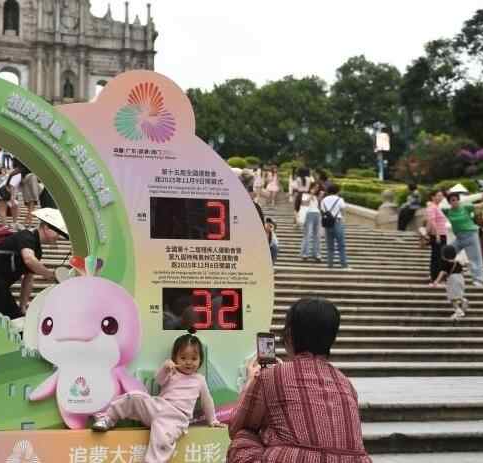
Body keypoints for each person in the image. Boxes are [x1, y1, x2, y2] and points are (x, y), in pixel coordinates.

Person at [227, 298, 371, 463]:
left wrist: (251, 381)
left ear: (289, 335)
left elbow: (236, 426)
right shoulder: (345, 382)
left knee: (243, 437)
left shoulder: (272, 376)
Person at [91, 329, 222, 462]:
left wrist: (213, 420)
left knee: (163, 439)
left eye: (194, 358)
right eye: (183, 358)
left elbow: (207, 401)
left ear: (200, 360)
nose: (188, 362)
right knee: (135, 397)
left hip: (176, 418)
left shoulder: (199, 379)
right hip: (157, 406)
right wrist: (165, 368)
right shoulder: (172, 372)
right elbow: (159, 380)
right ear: (174, 358)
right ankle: (108, 418)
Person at [0, 208, 65, 318]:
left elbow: (28, 279)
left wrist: (23, 306)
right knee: (9, 319)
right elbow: (29, 259)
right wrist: (51, 275)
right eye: (57, 232)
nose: (59, 236)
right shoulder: (26, 236)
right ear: (46, 227)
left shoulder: (37, 250)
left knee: (9, 318)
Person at [443, 192, 483, 287]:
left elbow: (480, 206)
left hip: (470, 236)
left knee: (475, 258)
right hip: (459, 238)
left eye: (457, 199)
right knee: (447, 253)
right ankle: (448, 274)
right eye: (452, 200)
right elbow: (437, 209)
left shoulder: (466, 207)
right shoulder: (447, 211)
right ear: (449, 202)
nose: (455, 202)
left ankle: (478, 280)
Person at [430, 245, 469, 320]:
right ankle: (462, 301)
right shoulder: (458, 262)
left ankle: (459, 310)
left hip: (452, 279)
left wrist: (436, 282)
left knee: (452, 298)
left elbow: (442, 272)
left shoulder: (445, 263)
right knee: (457, 294)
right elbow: (462, 272)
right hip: (460, 278)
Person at [321, 183, 349, 270]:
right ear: (337, 191)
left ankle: (330, 265)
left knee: (330, 246)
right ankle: (344, 265)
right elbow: (343, 210)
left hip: (327, 223)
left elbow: (322, 211)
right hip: (337, 222)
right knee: (341, 245)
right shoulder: (340, 199)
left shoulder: (324, 200)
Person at [424, 190, 450, 283]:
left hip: (442, 234)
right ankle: (434, 277)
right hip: (438, 235)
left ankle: (437, 277)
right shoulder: (432, 207)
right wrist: (437, 234)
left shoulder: (436, 207)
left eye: (441, 196)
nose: (440, 197)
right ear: (433, 197)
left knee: (439, 256)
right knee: (437, 256)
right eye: (438, 195)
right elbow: (432, 221)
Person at [300, 183, 323, 262]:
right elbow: (304, 203)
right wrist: (311, 194)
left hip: (317, 214)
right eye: (315, 187)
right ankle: (305, 254)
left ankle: (316, 254)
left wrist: (319, 197)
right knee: (308, 234)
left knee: (317, 235)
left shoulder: (316, 197)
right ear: (311, 187)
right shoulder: (305, 195)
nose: (316, 189)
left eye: (317, 188)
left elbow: (318, 207)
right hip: (309, 214)